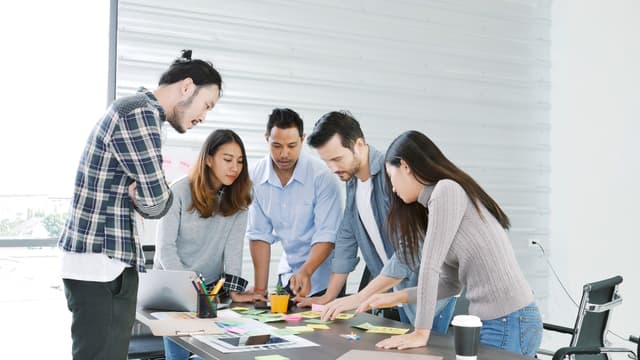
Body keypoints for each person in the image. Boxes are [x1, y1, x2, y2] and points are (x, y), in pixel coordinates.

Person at [58, 50, 222, 360]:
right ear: (187, 87)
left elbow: (151, 198)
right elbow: (158, 202)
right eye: (207, 105)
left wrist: (151, 194)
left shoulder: (139, 113)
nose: (204, 117)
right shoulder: (138, 114)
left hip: (104, 264)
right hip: (101, 266)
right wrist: (156, 194)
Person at [354, 130, 542, 356]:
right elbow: (450, 284)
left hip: (508, 320)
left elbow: (430, 267)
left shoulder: (446, 190)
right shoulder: (436, 205)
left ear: (405, 166)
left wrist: (421, 332)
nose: (392, 188)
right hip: (503, 320)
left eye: (391, 177)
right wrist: (395, 297)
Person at [304, 111, 455, 332]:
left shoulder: (393, 176)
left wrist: (360, 296)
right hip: (398, 292)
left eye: (337, 159)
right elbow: (346, 239)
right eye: (327, 162)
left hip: (430, 292)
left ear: (358, 145)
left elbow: (412, 248)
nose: (333, 169)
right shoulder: (353, 183)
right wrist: (328, 296)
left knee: (427, 353)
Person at [154, 129, 266, 360]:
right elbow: (165, 248)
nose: (235, 167)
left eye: (240, 161)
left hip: (211, 290)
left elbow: (233, 249)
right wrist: (190, 287)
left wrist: (234, 290)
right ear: (208, 159)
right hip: (174, 288)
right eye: (227, 160)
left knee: (213, 353)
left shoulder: (239, 197)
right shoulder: (179, 190)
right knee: (178, 357)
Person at [247, 108, 342, 299]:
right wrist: (260, 290)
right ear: (266, 138)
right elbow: (259, 235)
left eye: (291, 146)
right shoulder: (255, 176)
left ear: (303, 139)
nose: (284, 154)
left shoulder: (323, 176)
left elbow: (327, 233)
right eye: (276, 146)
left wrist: (306, 271)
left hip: (325, 279)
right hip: (289, 275)